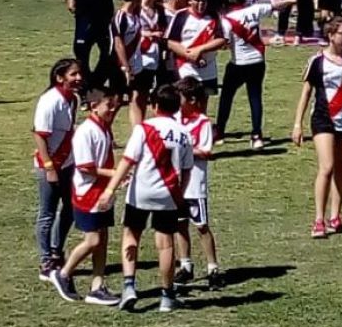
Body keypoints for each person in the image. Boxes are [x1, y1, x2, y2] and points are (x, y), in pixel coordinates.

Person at [99, 84, 193, 313]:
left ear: (154, 106)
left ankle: (129, 286)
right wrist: (180, 193)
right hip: (167, 193)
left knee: (131, 235)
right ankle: (167, 295)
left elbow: (128, 161)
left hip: (141, 191)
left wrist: (109, 190)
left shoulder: (143, 129)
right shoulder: (184, 134)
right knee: (165, 244)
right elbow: (188, 169)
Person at [49, 88, 120, 306]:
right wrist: (118, 174)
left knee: (103, 239)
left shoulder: (104, 129)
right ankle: (63, 273)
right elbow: (86, 167)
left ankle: (97, 286)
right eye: (109, 104)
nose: (113, 109)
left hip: (102, 191)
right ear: (94, 106)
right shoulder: (86, 132)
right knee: (93, 240)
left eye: (115, 104)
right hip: (89, 193)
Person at [292, 16, 342, 238]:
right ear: (331, 35)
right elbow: (306, 93)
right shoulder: (317, 61)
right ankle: (319, 219)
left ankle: (335, 216)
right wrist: (297, 124)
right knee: (327, 167)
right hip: (323, 119)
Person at [216, 0, 296, 149]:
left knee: (226, 97)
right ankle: (256, 135)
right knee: (255, 98)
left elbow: (224, 43)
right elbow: (276, 5)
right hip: (257, 61)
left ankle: (220, 132)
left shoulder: (226, 21)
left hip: (238, 63)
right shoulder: (255, 10)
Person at [172, 77, 225, 291]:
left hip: (194, 182)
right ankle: (186, 265)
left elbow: (206, 151)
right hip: (176, 183)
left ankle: (213, 267)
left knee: (201, 225)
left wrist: (184, 150)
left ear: (192, 100)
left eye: (181, 98)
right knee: (179, 224)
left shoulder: (203, 123)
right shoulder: (174, 120)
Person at [33, 58, 82, 281]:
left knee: (70, 209)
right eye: (73, 74)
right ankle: (46, 260)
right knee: (47, 214)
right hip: (51, 164)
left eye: (79, 74)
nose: (78, 78)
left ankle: (56, 250)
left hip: (68, 163)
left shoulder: (74, 100)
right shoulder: (49, 101)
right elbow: (40, 135)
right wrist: (49, 166)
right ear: (60, 78)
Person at [165, 0, 227, 111]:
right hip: (185, 66)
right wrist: (189, 55)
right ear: (190, 1)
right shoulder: (181, 16)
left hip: (207, 67)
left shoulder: (214, 15)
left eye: (203, 0)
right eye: (196, 0)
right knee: (184, 100)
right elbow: (171, 42)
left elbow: (221, 39)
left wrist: (200, 50)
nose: (200, 4)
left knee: (203, 100)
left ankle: (200, 126)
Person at [110, 0, 149, 126]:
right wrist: (126, 67)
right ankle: (104, 127)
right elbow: (118, 43)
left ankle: (138, 132)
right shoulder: (121, 17)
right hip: (120, 65)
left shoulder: (136, 14)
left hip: (136, 64)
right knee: (117, 100)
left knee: (136, 96)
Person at [135, 0, 168, 121]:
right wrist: (148, 34)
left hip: (156, 55)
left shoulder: (159, 10)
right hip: (140, 55)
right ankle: (138, 125)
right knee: (140, 93)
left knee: (157, 91)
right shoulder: (136, 9)